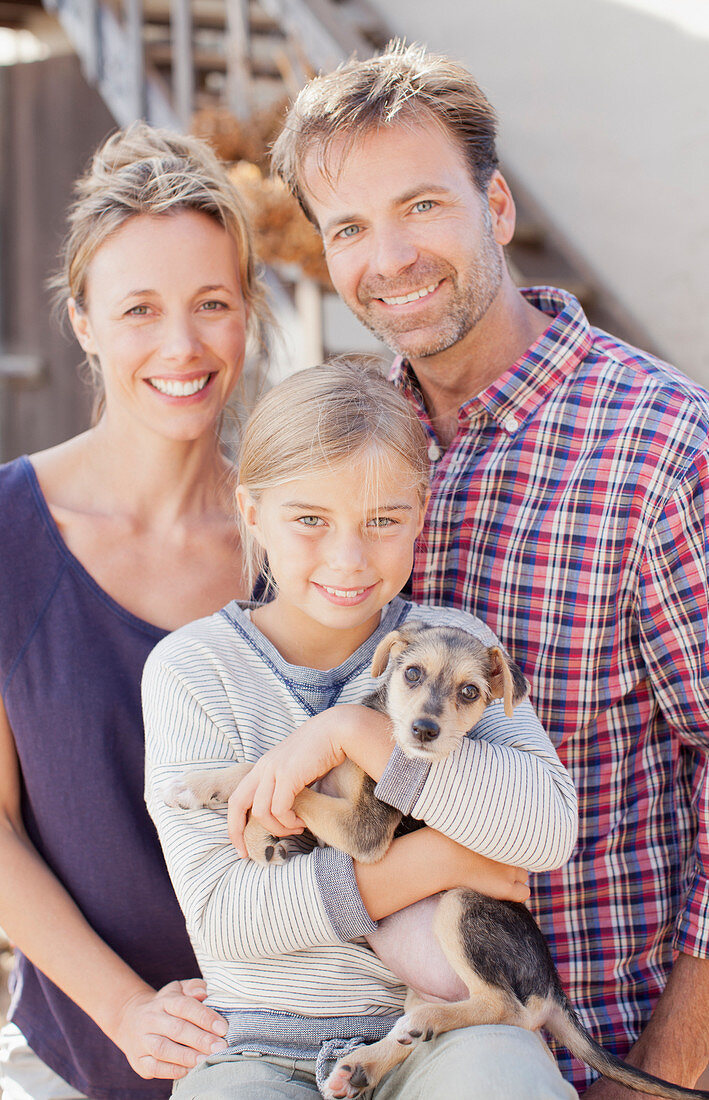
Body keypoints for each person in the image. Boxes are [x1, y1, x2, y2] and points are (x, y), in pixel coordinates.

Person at [268, 41, 709, 1097]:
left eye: (421, 205)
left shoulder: (662, 451)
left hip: (595, 1050)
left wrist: (663, 1073)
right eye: (349, 228)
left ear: (497, 205)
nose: (390, 257)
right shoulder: (349, 451)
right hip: (376, 1048)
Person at [143, 359, 579, 1100]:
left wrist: (353, 730)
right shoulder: (193, 669)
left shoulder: (454, 647)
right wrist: (449, 861)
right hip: (259, 1040)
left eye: (382, 520)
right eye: (309, 519)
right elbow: (226, 920)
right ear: (251, 512)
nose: (348, 557)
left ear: (420, 510)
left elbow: (543, 833)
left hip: (450, 1033)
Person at [0, 121, 272, 1100]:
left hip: (280, 1062)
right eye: (139, 309)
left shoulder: (294, 541)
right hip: (78, 1059)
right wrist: (125, 1009)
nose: (181, 346)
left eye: (211, 304)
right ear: (83, 321)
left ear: (249, 312)